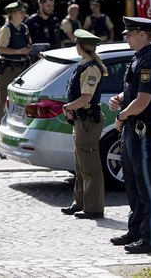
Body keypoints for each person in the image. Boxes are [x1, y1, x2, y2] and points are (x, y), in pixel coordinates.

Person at [108, 17, 151, 254]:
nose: (127, 37)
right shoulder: (138, 59)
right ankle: (136, 231)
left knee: (146, 183)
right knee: (132, 181)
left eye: (130, 33)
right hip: (132, 129)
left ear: (143, 34)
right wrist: (121, 98)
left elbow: (142, 102)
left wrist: (121, 116)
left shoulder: (150, 62)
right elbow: (134, 92)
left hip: (141, 129)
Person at [60, 29, 108, 220]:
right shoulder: (84, 65)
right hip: (81, 119)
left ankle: (94, 208)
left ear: (80, 47)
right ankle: (79, 203)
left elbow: (86, 97)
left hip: (88, 120)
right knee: (80, 165)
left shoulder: (91, 68)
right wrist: (72, 108)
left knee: (90, 166)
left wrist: (68, 107)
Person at [0, 2, 32, 111]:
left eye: (23, 12)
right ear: (12, 14)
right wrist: (18, 51)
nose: (23, 14)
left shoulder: (24, 27)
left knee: (22, 98)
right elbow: (1, 48)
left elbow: (28, 44)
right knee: (2, 97)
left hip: (22, 68)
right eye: (20, 12)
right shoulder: (6, 29)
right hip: (8, 69)